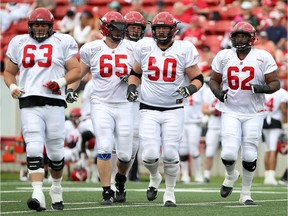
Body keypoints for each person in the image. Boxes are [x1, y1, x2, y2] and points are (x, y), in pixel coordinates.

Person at [3, 8, 81, 211]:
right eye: (36, 25)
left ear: (50, 26)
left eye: (43, 25)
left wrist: (61, 81)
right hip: (29, 100)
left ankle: (56, 188)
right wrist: (12, 87)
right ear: (30, 26)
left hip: (54, 100)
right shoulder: (18, 42)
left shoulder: (62, 41)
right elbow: (9, 72)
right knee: (34, 146)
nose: (39, 29)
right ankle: (37, 194)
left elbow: (76, 70)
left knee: (55, 153)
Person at [127, 12, 204, 207]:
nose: (161, 31)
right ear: (152, 30)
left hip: (173, 109)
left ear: (173, 30)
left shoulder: (184, 48)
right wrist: (131, 87)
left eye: (165, 28)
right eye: (158, 28)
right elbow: (135, 73)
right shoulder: (144, 47)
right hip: (148, 109)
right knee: (149, 155)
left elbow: (199, 78)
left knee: (170, 153)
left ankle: (170, 193)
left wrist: (190, 88)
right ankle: (154, 177)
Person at [209, 21, 280, 205]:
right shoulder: (224, 56)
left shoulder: (263, 56)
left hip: (254, 112)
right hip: (230, 110)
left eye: (243, 36)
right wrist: (217, 92)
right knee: (229, 154)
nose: (240, 39)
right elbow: (214, 80)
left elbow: (275, 83)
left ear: (252, 38)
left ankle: (245, 194)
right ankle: (231, 175)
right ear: (232, 38)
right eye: (237, 36)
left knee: (249, 155)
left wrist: (262, 88)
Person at [77, 11, 135, 205]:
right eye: (115, 27)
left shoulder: (134, 48)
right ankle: (106, 191)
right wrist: (69, 89)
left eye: (121, 28)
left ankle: (119, 179)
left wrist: (133, 79)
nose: (119, 31)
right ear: (105, 28)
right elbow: (79, 73)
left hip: (125, 104)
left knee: (125, 154)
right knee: (104, 146)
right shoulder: (91, 49)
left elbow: (142, 74)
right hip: (101, 103)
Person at [111, 11, 147, 186]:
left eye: (137, 28)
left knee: (133, 142)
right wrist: (126, 75)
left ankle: (121, 178)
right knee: (114, 141)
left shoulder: (149, 45)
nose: (134, 31)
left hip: (141, 99)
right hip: (118, 98)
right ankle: (109, 180)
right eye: (131, 27)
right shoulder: (117, 45)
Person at [179, 86, 206, 184]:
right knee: (182, 150)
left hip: (194, 122)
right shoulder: (180, 81)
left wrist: (204, 115)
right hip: (181, 122)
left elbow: (207, 101)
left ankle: (199, 174)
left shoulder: (202, 87)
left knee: (194, 150)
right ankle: (185, 175)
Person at [262, 87, 288, 185]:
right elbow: (284, 110)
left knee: (267, 149)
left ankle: (267, 176)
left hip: (263, 121)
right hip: (275, 121)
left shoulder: (264, 90)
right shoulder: (282, 92)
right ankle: (271, 176)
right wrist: (286, 125)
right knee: (273, 149)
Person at [202, 87, 222, 183]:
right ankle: (206, 175)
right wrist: (213, 111)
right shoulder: (208, 92)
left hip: (227, 127)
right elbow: (204, 110)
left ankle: (230, 175)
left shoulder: (231, 89)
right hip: (213, 127)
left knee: (229, 153)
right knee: (209, 153)